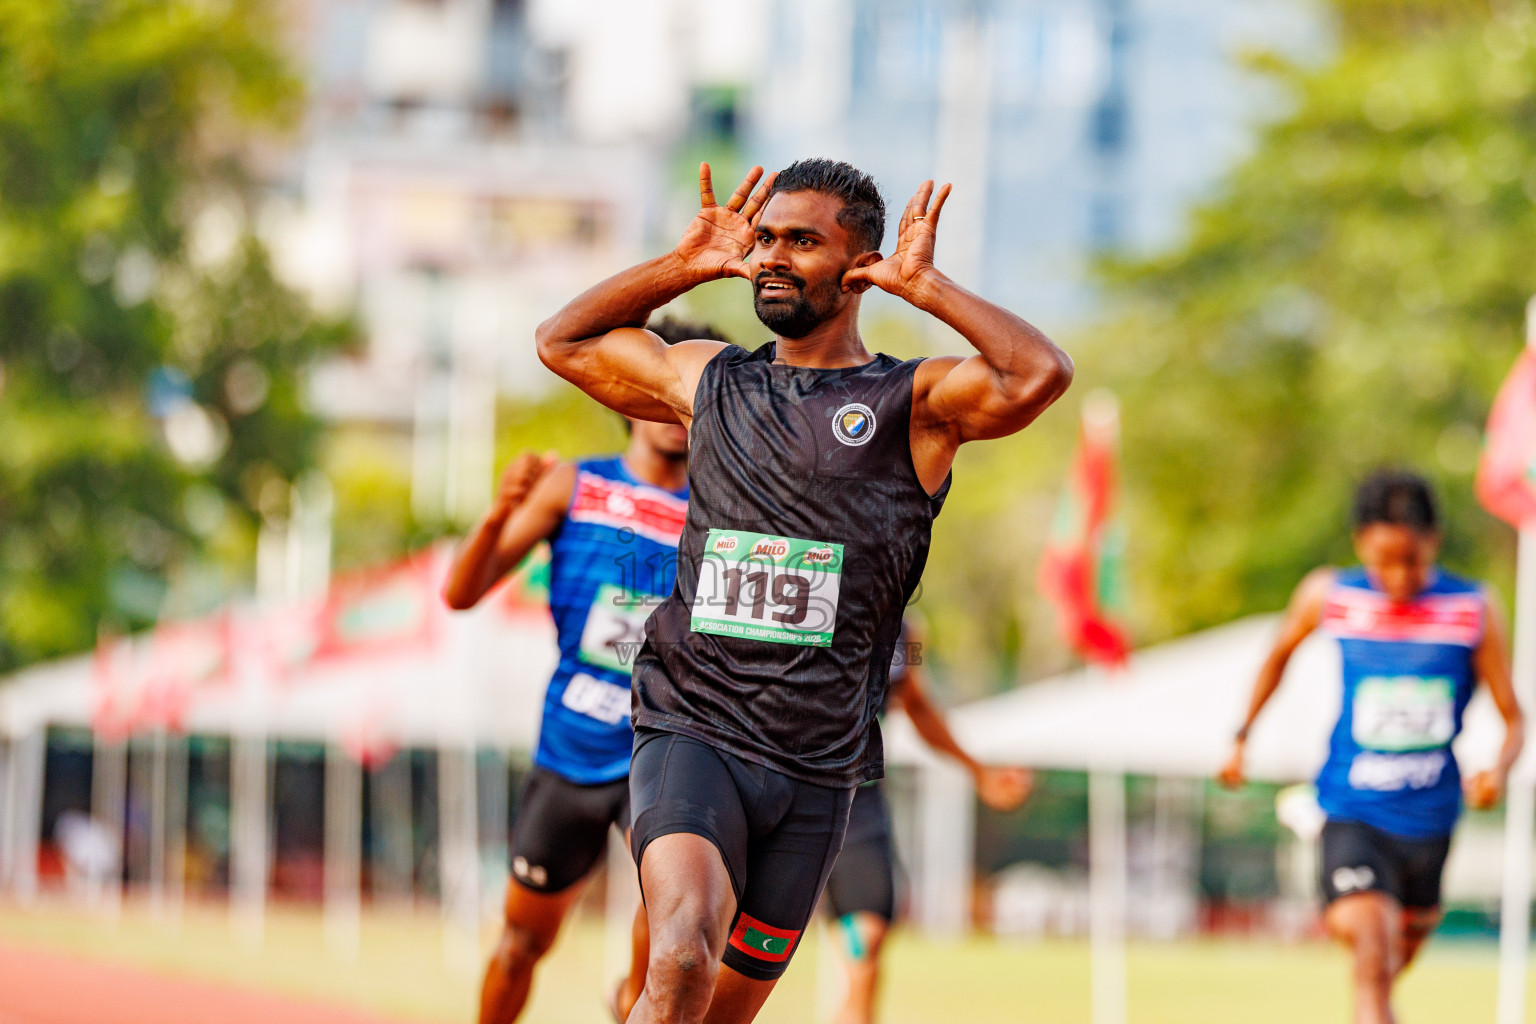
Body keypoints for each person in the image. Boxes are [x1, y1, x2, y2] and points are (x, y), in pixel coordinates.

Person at [535, 158, 1073, 1024]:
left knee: (717, 1013)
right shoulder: (711, 378)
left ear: (858, 267)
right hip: (693, 727)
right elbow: (562, 342)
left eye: (802, 241)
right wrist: (688, 264)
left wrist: (927, 288)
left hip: (820, 771)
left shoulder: (912, 402)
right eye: (767, 238)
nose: (774, 256)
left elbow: (1036, 374)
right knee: (677, 959)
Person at [443, 318, 729, 1024]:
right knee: (519, 945)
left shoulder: (726, 511)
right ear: (625, 394)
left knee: (676, 945)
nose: (669, 415)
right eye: (656, 395)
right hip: (572, 748)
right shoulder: (575, 484)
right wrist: (498, 514)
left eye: (686, 400)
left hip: (669, 750)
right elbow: (460, 593)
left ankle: (629, 1005)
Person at [1218, 470, 1523, 1024]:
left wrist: (1497, 771)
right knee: (1372, 952)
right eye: (1383, 560)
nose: (1398, 575)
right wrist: (1241, 737)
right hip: (1351, 808)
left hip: (1430, 821)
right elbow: (1276, 657)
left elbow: (1513, 718)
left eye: (1411, 559)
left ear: (1434, 540)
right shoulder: (1330, 594)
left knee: (1388, 966)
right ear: (1360, 542)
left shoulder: (1473, 608)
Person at [822, 617, 1031, 1024]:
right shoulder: (795, 583)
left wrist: (979, 771)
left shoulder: (902, 629)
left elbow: (915, 702)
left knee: (866, 941)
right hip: (767, 778)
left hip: (854, 797)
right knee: (715, 939)